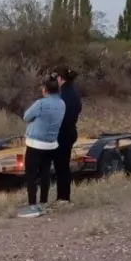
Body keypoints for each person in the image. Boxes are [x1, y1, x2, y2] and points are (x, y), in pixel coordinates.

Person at [18, 78, 65, 218]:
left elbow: (26, 117)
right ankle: (44, 202)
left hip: (35, 144)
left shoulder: (41, 103)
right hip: (51, 144)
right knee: (45, 174)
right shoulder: (62, 104)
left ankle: (33, 204)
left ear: (46, 90)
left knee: (31, 175)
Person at [54, 66, 82, 203]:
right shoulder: (75, 93)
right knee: (64, 165)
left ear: (60, 78)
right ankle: (64, 196)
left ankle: (63, 197)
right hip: (71, 131)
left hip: (62, 133)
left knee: (61, 167)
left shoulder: (62, 96)